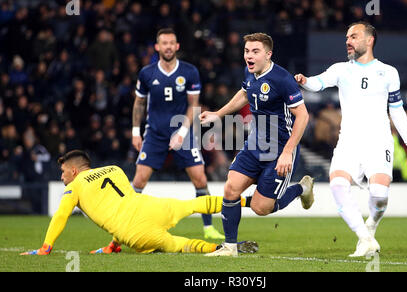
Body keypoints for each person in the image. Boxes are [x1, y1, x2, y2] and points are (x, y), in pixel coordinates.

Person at [294, 21, 407, 257]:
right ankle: (364, 238)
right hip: (348, 142)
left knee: (379, 196)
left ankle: (371, 225)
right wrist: (304, 81)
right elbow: (318, 83)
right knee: (337, 185)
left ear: (369, 40)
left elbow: (396, 109)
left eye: (353, 36)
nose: (348, 41)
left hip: (379, 141)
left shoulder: (389, 72)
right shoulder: (341, 70)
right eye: (346, 37)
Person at [199, 33, 314, 257]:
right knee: (231, 188)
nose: (249, 56)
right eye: (246, 51)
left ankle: (302, 188)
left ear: (268, 54)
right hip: (255, 144)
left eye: (255, 51)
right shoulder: (249, 73)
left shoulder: (282, 79)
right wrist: (218, 114)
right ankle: (230, 247)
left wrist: (287, 153)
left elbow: (303, 116)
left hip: (280, 149)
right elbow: (244, 93)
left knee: (262, 208)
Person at [20, 150, 258, 256]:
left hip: (133, 232)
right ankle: (248, 200)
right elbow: (121, 204)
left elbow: (61, 215)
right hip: (153, 206)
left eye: (62, 172)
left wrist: (46, 247)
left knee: (177, 244)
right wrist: (113, 246)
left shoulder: (74, 186)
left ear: (73, 171)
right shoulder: (113, 169)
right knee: (192, 205)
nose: (61, 177)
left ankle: (218, 249)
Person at [130, 28, 224, 239]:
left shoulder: (190, 72)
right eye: (164, 43)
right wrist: (136, 132)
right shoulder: (146, 73)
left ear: (177, 46)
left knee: (200, 179)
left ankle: (208, 228)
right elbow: (139, 103)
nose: (168, 46)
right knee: (138, 181)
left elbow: (193, 105)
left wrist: (181, 132)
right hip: (154, 133)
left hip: (183, 132)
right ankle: (123, 228)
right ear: (157, 47)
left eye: (172, 43)